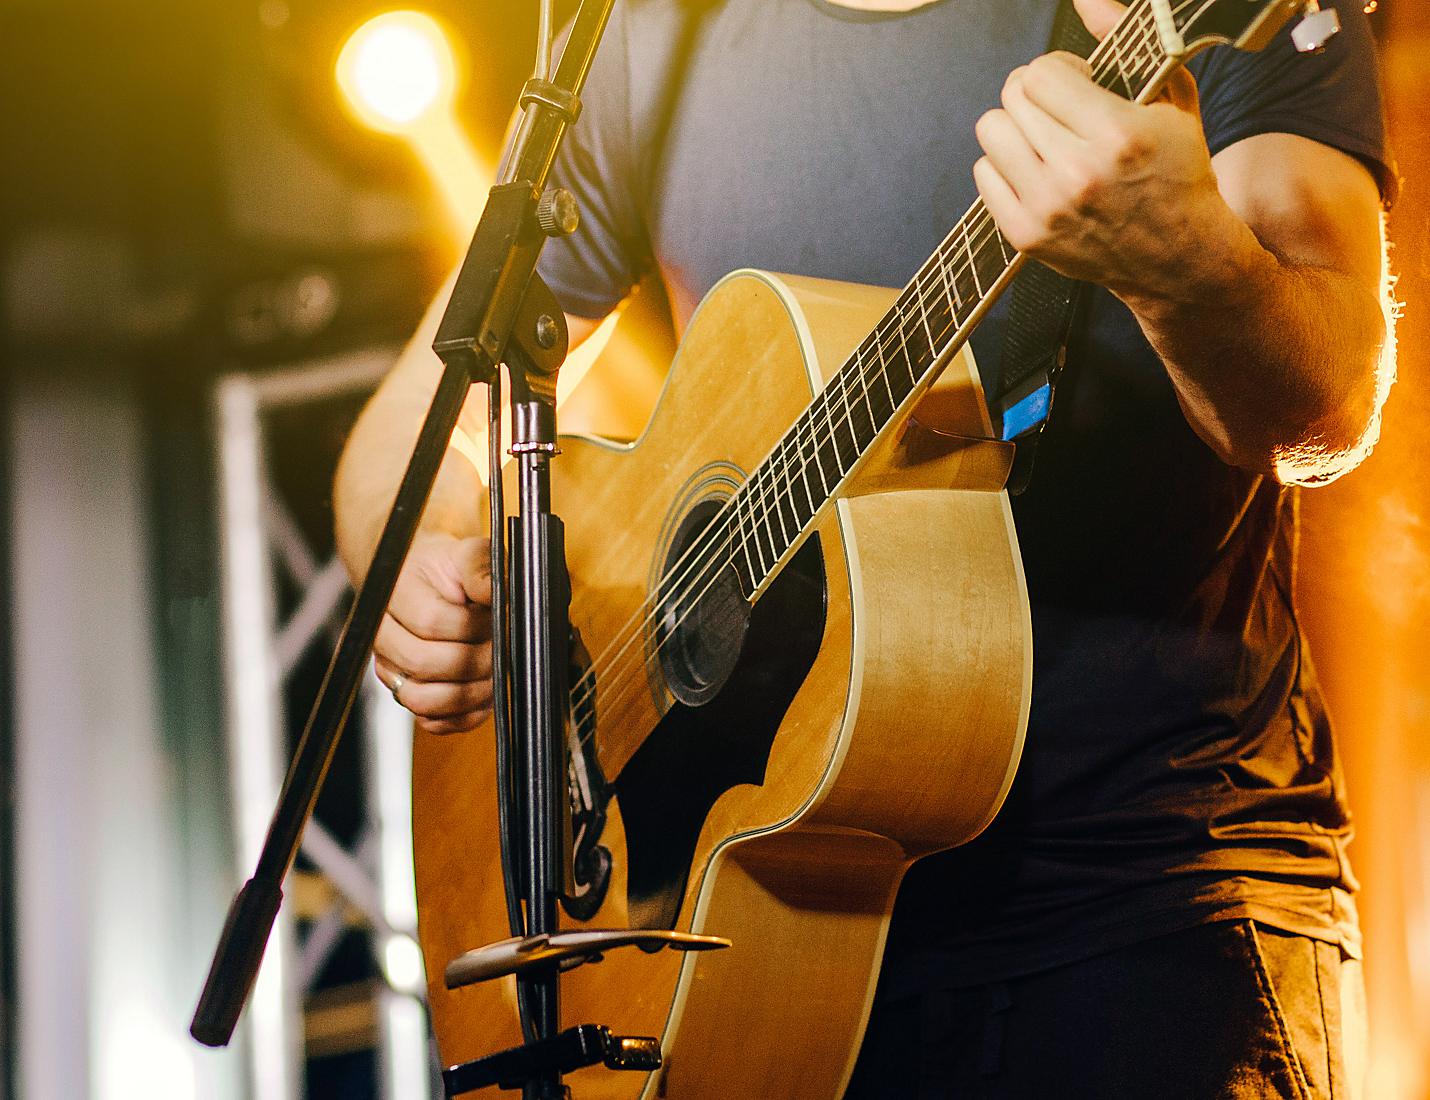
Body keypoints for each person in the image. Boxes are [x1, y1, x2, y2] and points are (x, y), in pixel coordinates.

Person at [333, 0, 1395, 1094]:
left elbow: (1318, 409)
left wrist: (1189, 267)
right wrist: (421, 568)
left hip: (1146, 904)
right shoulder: (643, 34)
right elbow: (412, 436)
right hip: (751, 947)